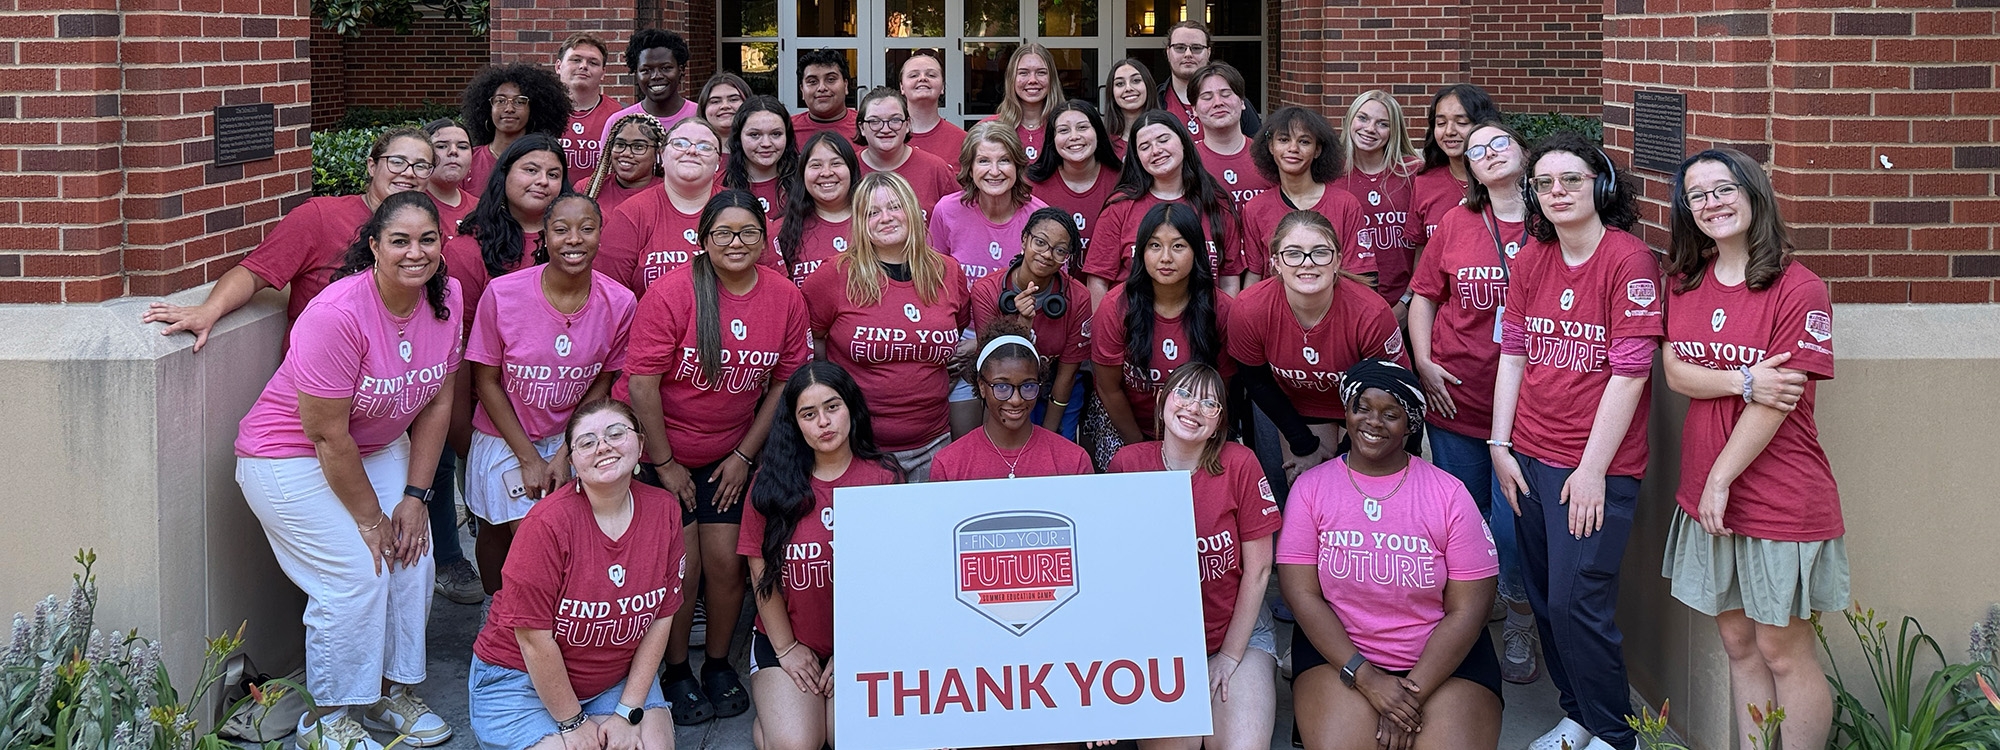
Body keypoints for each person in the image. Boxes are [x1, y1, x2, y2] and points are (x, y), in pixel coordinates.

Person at [233, 191, 461, 750]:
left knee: (412, 559)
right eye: (400, 241)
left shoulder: (448, 297)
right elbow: (326, 435)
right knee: (357, 575)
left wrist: (414, 498)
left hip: (376, 448)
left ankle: (390, 693)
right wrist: (369, 520)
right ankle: (326, 716)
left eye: (427, 239)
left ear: (442, 244)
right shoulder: (337, 313)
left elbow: (436, 402)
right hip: (288, 455)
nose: (415, 252)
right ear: (375, 247)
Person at [1661, 148, 1844, 750]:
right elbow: (1677, 373)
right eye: (1698, 196)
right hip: (1708, 493)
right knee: (1738, 645)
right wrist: (1743, 378)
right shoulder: (1685, 282)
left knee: (1781, 650)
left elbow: (1779, 398)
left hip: (1778, 494)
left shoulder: (1798, 287)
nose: (1712, 203)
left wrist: (1721, 478)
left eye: (1723, 189)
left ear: (1753, 192)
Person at [1488, 133, 1659, 750]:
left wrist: (1590, 472)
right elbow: (1513, 352)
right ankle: (1579, 715)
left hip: (1593, 469)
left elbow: (1631, 372)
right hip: (1527, 456)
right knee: (1541, 599)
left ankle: (1617, 733)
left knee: (1576, 607)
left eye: (1572, 180)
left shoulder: (1628, 260)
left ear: (1601, 187)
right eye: (1545, 183)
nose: (1556, 192)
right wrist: (1498, 447)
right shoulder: (1533, 255)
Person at [621, 189, 811, 726]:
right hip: (664, 454)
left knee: (727, 566)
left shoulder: (783, 297)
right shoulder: (673, 292)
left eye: (748, 232)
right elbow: (641, 386)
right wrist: (664, 463)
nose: (736, 242)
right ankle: (676, 670)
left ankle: (720, 663)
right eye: (723, 233)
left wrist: (744, 457)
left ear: (764, 239)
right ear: (703, 240)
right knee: (682, 570)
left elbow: (782, 384)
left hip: (731, 454)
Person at [1279, 359, 1502, 750]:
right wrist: (1367, 678)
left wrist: (1408, 696)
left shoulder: (1449, 494)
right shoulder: (1311, 489)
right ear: (1346, 412)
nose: (1373, 421)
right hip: (1342, 654)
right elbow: (1302, 595)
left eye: (1391, 413)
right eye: (1361, 407)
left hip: (1441, 660)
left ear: (1411, 424)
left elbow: (1470, 609)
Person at [465, 399, 682, 750]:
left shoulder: (665, 511)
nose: (604, 447)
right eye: (586, 442)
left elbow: (662, 615)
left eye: (616, 433)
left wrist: (627, 711)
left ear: (641, 445)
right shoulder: (546, 525)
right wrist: (573, 723)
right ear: (572, 462)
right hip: (522, 678)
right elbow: (534, 639)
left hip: (612, 676)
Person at [1407, 121, 1540, 685]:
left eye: (1499, 144)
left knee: (1511, 526)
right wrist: (1424, 361)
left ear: (1523, 154)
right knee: (1465, 521)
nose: (1487, 155)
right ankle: (1471, 614)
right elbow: (1423, 299)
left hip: (1529, 409)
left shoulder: (1551, 221)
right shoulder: (1457, 224)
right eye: (1476, 149)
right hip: (1458, 396)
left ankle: (1517, 614)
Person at [463, 194, 634, 597]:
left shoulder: (620, 302)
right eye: (561, 230)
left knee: (551, 538)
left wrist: (563, 454)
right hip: (505, 433)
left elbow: (603, 381)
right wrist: (529, 458)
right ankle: (497, 612)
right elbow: (486, 381)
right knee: (501, 531)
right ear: (544, 235)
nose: (573, 240)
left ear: (600, 234)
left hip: (571, 434)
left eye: (586, 229)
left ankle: (542, 622)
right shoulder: (503, 294)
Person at [1107, 363, 1280, 750]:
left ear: (1219, 423)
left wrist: (1230, 656)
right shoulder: (1128, 465)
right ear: (1162, 400)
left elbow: (1260, 570)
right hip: (1160, 644)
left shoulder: (1240, 463)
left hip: (1236, 632)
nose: (1193, 408)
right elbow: (1110, 575)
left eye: (1209, 403)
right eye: (1184, 394)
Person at [739, 362, 905, 750]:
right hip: (789, 640)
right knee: (797, 744)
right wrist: (787, 649)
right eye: (808, 414)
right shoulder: (769, 485)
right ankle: (774, 728)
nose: (824, 422)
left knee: (850, 741)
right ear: (794, 423)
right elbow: (759, 572)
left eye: (833, 407)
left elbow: (896, 581)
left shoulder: (884, 477)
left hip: (864, 643)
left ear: (851, 408)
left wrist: (857, 651)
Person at [142, 127, 435, 346]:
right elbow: (254, 273)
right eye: (397, 162)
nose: (409, 173)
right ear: (373, 166)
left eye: (421, 165)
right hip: (319, 380)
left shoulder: (430, 229)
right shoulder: (320, 217)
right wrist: (209, 310)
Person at [801, 172, 970, 482]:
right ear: (859, 222)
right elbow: (815, 348)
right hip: (858, 448)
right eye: (872, 212)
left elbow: (952, 337)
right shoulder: (833, 276)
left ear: (912, 211)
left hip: (934, 444)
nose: (886, 218)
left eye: (894, 207)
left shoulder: (948, 273)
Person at [1229, 210, 1404, 482]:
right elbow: (1256, 381)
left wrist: (1344, 457)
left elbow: (1392, 390)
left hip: (1364, 408)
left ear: (1337, 260)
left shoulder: (1371, 312)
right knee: (1302, 485)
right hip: (1296, 405)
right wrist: (1303, 444)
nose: (1307, 263)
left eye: (1320, 252)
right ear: (1275, 262)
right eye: (1294, 253)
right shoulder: (1249, 308)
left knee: (1353, 487)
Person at [1088, 202, 1232, 468]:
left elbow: (1222, 390)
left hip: (1197, 429)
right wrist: (1142, 450)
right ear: (1141, 252)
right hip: (1128, 427)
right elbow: (1108, 388)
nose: (1165, 257)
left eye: (1178, 246)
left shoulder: (1220, 309)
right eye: (1155, 246)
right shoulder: (1115, 306)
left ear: (1197, 251)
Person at [1085, 111, 1245, 303]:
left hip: (1203, 324)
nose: (1156, 150)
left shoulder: (1216, 202)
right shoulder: (1119, 206)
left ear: (1183, 141)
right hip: (1133, 324)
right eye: (1145, 147)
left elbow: (1228, 278)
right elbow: (1098, 281)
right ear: (1137, 157)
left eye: (1163, 140)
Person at [969, 208, 1092, 438]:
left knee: (1054, 452)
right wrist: (1022, 325)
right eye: (1040, 242)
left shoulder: (1079, 296)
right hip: (1005, 387)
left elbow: (1067, 373)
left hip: (1057, 386)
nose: (1047, 254)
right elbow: (994, 365)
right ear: (1024, 240)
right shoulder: (986, 290)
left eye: (1060, 250)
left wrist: (1049, 434)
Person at [930, 321, 1095, 481]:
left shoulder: (1074, 461)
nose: (1016, 400)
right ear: (981, 386)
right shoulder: (948, 464)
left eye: (1028, 386)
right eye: (1002, 387)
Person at [599, 117, 728, 297]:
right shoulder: (632, 213)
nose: (691, 151)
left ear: (718, 163)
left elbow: (767, 285)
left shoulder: (739, 210)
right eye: (680, 144)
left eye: (705, 147)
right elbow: (609, 297)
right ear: (661, 154)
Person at [1242, 106, 1370, 287]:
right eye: (1284, 140)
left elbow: (1359, 276)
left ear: (1317, 150)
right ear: (1271, 146)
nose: (1293, 148)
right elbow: (1255, 274)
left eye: (1304, 142)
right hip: (1275, 311)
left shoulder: (1345, 204)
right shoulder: (1255, 208)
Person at [444, 135, 566, 322]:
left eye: (553, 175)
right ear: (504, 174)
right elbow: (460, 332)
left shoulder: (576, 240)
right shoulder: (467, 248)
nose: (543, 181)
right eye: (531, 170)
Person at [1407, 85, 1501, 314]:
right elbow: (1421, 255)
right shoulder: (1425, 182)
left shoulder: (1502, 181)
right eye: (1441, 123)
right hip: (1442, 317)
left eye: (1462, 122)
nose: (1449, 131)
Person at [1330, 90, 1423, 312]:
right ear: (1350, 119)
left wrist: (1407, 302)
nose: (1370, 129)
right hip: (1347, 303)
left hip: (1410, 302)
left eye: (1383, 124)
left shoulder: (1413, 172)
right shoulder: (1330, 174)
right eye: (1363, 118)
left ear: (1394, 131)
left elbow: (1426, 244)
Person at [930, 123, 1050, 287]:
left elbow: (1054, 287)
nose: (994, 171)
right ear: (970, 169)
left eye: (1004, 160)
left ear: (1017, 166)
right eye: (983, 161)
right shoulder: (946, 211)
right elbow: (933, 280)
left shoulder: (1041, 218)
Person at [1026, 99, 1122, 266]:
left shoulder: (1122, 181)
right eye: (1063, 130)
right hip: (1046, 289)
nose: (1074, 137)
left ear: (1098, 132)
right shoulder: (1032, 186)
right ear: (1052, 139)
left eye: (1082, 127)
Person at [460, 63, 568, 198]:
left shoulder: (545, 162)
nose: (509, 109)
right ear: (488, 108)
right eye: (500, 100)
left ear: (534, 109)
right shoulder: (469, 160)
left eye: (520, 101)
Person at [854, 87, 958, 221]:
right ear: (862, 127)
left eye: (895, 120)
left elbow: (960, 219)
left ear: (908, 124)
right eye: (875, 121)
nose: (886, 129)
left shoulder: (935, 169)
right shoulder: (848, 170)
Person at [775, 132, 858, 286]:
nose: (826, 173)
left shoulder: (874, 222)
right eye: (816, 165)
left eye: (836, 163)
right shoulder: (781, 230)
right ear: (803, 174)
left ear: (851, 169)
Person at [1189, 63, 1273, 208]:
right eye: (1207, 97)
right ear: (1194, 109)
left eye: (1226, 94)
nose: (1218, 103)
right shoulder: (1187, 162)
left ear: (1242, 101)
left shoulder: (1269, 157)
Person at [1159, 21, 1260, 138]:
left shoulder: (1232, 101)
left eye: (1196, 48)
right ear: (1168, 52)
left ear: (1208, 52)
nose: (1188, 54)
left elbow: (1258, 148)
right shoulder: (1155, 102)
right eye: (1180, 48)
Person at [601, 30, 698, 143]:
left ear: (680, 70)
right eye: (646, 70)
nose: (656, 76)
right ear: (636, 73)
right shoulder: (618, 123)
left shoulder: (701, 115)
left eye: (666, 68)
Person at [720, 95, 799, 222]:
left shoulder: (805, 183)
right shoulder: (719, 184)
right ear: (738, 137)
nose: (766, 143)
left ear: (788, 137)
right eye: (755, 135)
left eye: (776, 134)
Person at [555, 33, 622, 176]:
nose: (583, 66)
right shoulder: (539, 112)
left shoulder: (619, 115)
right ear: (558, 67)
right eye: (576, 60)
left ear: (603, 73)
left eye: (593, 63)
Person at [987, 43, 1063, 162]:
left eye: (1041, 72)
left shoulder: (1069, 130)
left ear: (1052, 79)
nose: (1032, 80)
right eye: (1023, 73)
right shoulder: (989, 129)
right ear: (1011, 78)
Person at [579, 112, 665, 217]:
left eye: (638, 147)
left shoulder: (669, 193)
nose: (626, 153)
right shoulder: (586, 188)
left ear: (657, 153)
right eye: (620, 144)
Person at [899, 52, 968, 163]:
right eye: (913, 75)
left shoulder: (963, 140)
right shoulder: (887, 137)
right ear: (902, 87)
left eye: (931, 75)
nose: (922, 78)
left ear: (942, 87)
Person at [424, 119, 479, 246]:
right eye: (441, 146)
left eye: (462, 147)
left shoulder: (481, 208)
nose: (453, 151)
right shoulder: (407, 204)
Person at [792, 49, 857, 144]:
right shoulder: (786, 130)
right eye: (812, 82)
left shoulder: (868, 127)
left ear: (845, 85)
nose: (822, 88)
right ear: (802, 89)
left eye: (830, 79)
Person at [1102, 59, 1157, 159]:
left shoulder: (1168, 135)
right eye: (1120, 84)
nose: (1128, 88)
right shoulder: (1102, 143)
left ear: (1148, 85)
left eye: (1136, 81)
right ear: (1112, 93)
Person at [698, 72, 753, 142]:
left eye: (733, 99)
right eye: (715, 101)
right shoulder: (692, 149)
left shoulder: (764, 146)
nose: (725, 106)